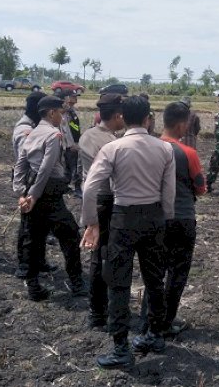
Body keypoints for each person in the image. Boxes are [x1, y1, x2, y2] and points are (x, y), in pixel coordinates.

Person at [80, 95, 175, 369]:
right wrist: (163, 219)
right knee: (154, 280)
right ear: (147, 118)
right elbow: (168, 194)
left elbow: (89, 188)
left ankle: (121, 346)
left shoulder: (113, 148)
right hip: (154, 216)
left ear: (123, 116)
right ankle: (155, 334)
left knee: (119, 283)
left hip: (123, 218)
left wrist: (92, 223)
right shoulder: (164, 149)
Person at [139, 101, 207, 337]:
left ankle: (147, 319)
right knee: (177, 272)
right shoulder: (188, 153)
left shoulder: (148, 147)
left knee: (153, 271)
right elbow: (201, 188)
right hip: (181, 218)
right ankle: (166, 322)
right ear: (181, 125)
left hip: (153, 217)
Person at [13, 95, 86, 301]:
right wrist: (34, 196)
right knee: (70, 235)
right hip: (48, 193)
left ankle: (34, 286)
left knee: (33, 238)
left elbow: (21, 163)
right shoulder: (54, 135)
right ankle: (77, 283)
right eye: (61, 114)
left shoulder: (33, 133)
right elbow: (45, 168)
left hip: (32, 190)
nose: (63, 118)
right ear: (52, 113)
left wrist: (21, 192)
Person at [78, 94, 125, 330]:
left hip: (98, 199)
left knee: (101, 256)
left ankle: (98, 309)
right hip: (104, 200)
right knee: (102, 257)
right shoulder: (108, 142)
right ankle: (98, 311)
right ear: (117, 116)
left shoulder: (91, 135)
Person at [11, 91, 54, 279]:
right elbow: (26, 159)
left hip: (37, 182)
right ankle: (24, 264)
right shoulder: (25, 129)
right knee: (28, 227)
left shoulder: (35, 126)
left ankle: (39, 260)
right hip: (30, 181)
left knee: (40, 226)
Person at [57, 91, 83, 197]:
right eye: (73, 97)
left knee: (75, 167)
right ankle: (66, 187)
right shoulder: (57, 114)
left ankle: (76, 188)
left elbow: (74, 130)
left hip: (70, 145)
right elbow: (64, 131)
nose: (75, 99)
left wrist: (76, 142)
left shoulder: (71, 113)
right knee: (66, 167)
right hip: (62, 145)